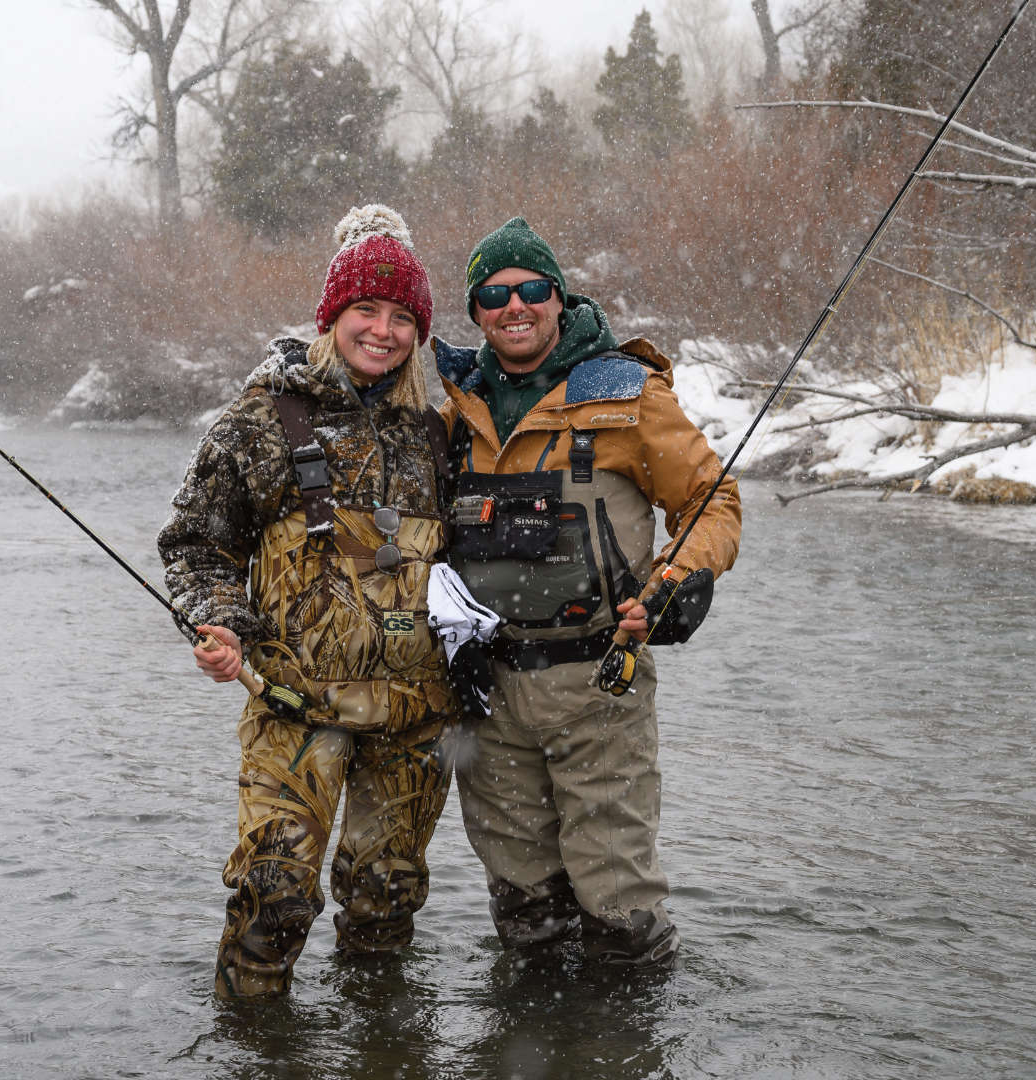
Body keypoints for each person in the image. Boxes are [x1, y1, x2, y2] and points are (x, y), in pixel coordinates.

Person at [158, 205, 458, 1000]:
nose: (383, 332)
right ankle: (254, 1048)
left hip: (415, 718)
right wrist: (219, 623)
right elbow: (195, 544)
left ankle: (380, 1051)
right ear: (332, 316)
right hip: (294, 708)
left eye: (402, 318)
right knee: (274, 898)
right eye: (366, 310)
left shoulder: (441, 430)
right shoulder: (263, 416)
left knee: (385, 905)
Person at [432, 217, 742, 965]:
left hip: (601, 685)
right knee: (524, 913)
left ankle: (620, 1046)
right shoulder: (451, 409)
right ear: (475, 312)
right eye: (495, 295)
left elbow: (713, 499)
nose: (516, 307)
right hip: (488, 696)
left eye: (532, 290)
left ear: (559, 298)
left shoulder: (630, 395)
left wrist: (680, 579)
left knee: (619, 916)